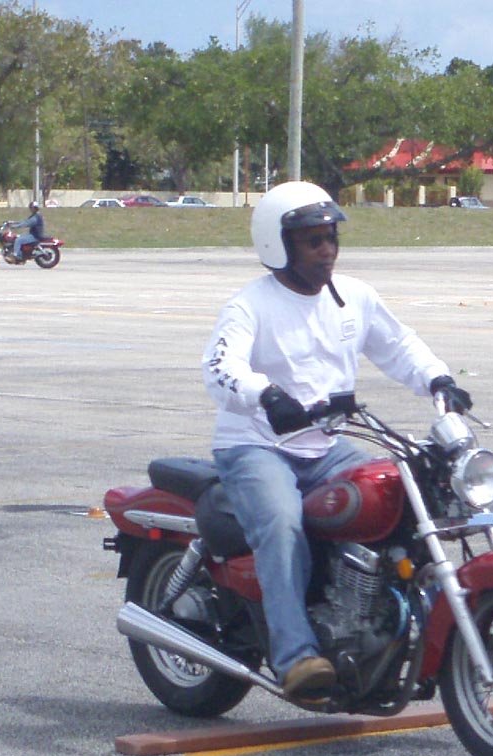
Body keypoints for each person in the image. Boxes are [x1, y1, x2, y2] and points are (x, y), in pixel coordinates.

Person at [201, 181, 472, 700]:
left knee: (397, 496)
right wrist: (265, 394)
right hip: (258, 445)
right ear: (279, 245)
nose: (326, 249)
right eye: (312, 241)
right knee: (282, 524)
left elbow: (399, 346)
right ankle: (296, 657)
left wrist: (438, 379)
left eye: (331, 238)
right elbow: (219, 367)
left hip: (326, 445)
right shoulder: (250, 305)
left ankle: (386, 623)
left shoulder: (353, 297)